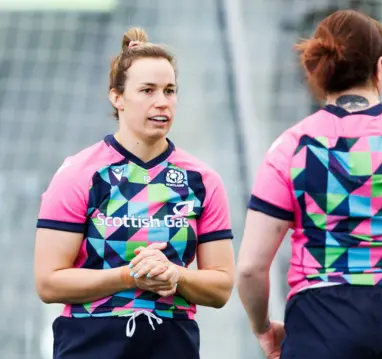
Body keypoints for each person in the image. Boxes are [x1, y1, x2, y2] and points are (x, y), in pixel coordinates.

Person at [236, 9, 382, 359]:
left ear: (315, 69)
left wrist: (263, 329)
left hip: (322, 324)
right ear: (380, 68)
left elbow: (250, 269)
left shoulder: (291, 149)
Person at [34, 27, 235, 359]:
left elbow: (221, 287)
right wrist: (130, 276)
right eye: (148, 90)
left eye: (170, 90)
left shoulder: (202, 179)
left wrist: (176, 275)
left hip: (173, 342)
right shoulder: (79, 174)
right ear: (117, 98)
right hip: (91, 341)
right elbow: (48, 282)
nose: (162, 102)